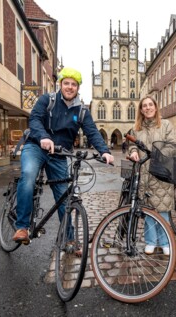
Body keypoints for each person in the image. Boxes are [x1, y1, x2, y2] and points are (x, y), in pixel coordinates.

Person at [13, 67, 114, 243]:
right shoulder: (48, 100)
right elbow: (35, 119)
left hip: (59, 154)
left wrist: (104, 151)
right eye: (66, 83)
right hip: (36, 146)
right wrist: (43, 137)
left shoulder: (82, 110)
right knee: (28, 176)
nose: (69, 87)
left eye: (73, 84)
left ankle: (69, 240)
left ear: (78, 88)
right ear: (60, 84)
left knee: (63, 197)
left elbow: (92, 132)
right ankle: (22, 227)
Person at [128, 96, 175, 256]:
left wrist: (158, 155)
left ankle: (164, 241)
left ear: (155, 107)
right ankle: (150, 241)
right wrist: (133, 152)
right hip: (143, 173)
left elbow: (171, 145)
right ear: (141, 110)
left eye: (150, 105)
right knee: (147, 209)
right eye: (144, 106)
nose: (148, 108)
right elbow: (132, 144)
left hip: (161, 172)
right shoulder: (137, 128)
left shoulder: (166, 124)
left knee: (162, 209)